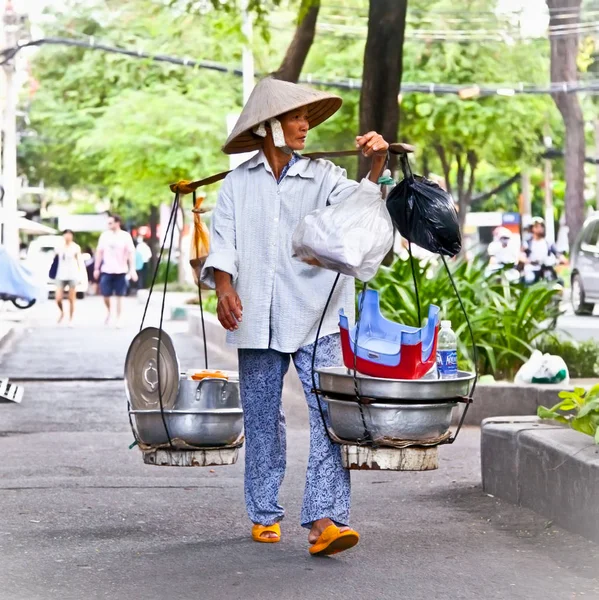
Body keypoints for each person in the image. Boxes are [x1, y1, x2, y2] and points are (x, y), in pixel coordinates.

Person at [201, 77, 389, 556]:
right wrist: (224, 286)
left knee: (331, 414)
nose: (305, 125)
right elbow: (224, 243)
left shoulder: (324, 176)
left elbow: (357, 212)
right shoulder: (237, 185)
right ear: (269, 127)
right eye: (295, 117)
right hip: (256, 312)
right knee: (263, 416)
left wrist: (377, 166)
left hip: (320, 312)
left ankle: (324, 520)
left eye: (307, 117)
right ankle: (264, 512)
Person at [94, 214, 137, 327]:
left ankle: (119, 318)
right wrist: (96, 268)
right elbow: (99, 252)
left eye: (110, 223)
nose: (109, 225)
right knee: (105, 294)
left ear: (117, 223)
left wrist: (132, 269)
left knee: (120, 296)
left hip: (121, 270)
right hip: (106, 270)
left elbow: (131, 253)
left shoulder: (125, 236)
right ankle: (109, 311)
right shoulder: (104, 236)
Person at [53, 229, 84, 326]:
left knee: (71, 298)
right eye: (66, 234)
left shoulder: (75, 247)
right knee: (58, 298)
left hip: (72, 274)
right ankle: (62, 312)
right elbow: (55, 260)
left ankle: (71, 318)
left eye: (69, 234)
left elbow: (79, 261)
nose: (67, 236)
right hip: (61, 274)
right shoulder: (59, 247)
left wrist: (80, 275)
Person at [521, 217, 565, 283]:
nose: (540, 228)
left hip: (546, 268)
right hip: (532, 268)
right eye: (537, 226)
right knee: (529, 279)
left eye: (541, 226)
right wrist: (528, 261)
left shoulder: (548, 243)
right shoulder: (527, 243)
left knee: (558, 282)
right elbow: (520, 255)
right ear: (532, 229)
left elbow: (558, 254)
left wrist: (562, 260)